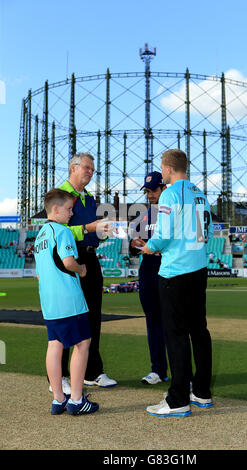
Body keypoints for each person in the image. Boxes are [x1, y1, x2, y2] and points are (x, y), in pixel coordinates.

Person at [142, 149, 214, 417]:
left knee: (176, 334)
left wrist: (149, 247)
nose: (162, 171)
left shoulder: (171, 193)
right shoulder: (200, 193)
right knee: (199, 331)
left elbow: (163, 234)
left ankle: (178, 399)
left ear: (168, 169)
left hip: (175, 272)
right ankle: (202, 392)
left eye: (162, 167)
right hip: (199, 269)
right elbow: (202, 233)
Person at [34, 188, 99, 415]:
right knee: (83, 344)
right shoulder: (62, 231)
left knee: (55, 344)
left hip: (49, 301)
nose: (71, 214)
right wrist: (81, 269)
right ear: (55, 209)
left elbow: (40, 273)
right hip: (68, 298)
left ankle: (59, 399)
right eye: (69, 209)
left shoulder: (41, 234)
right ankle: (77, 400)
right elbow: (69, 261)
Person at [58, 152, 117, 389]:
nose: (91, 172)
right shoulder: (60, 195)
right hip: (69, 258)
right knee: (67, 317)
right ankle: (59, 376)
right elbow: (57, 231)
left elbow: (92, 232)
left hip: (91, 259)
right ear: (73, 167)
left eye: (93, 169)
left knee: (93, 316)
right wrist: (87, 228)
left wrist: (101, 232)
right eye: (87, 168)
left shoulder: (90, 199)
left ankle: (92, 372)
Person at [129, 171, 168, 385]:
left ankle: (184, 373)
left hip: (168, 268)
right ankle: (158, 370)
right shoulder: (144, 216)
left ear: (163, 187)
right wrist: (135, 245)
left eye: (154, 190)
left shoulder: (175, 212)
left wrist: (154, 248)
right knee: (152, 321)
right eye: (147, 191)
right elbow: (136, 248)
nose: (150, 194)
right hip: (148, 270)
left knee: (173, 323)